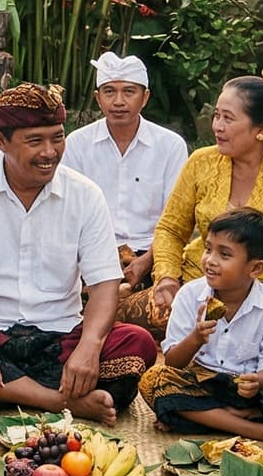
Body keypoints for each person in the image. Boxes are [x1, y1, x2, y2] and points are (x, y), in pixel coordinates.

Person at [0, 83, 158, 426]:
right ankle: (58, 400)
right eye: (35, 141)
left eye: (57, 138)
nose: (50, 152)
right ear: (0, 142)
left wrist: (89, 347)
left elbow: (104, 286)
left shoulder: (85, 195)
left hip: (62, 336)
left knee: (138, 344)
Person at [117, 72, 263, 334]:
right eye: (217, 115)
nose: (217, 126)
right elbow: (170, 230)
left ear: (261, 129)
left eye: (228, 118)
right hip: (196, 281)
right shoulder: (201, 161)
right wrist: (167, 277)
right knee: (117, 315)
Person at [139, 207, 263, 447]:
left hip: (246, 393)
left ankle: (198, 418)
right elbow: (173, 363)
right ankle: (254, 429)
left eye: (224, 254)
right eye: (208, 249)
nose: (210, 260)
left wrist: (258, 381)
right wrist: (195, 338)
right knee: (154, 379)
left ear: (255, 268)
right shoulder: (190, 294)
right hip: (201, 383)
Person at [61, 51, 188, 303]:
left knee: (167, 309)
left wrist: (148, 260)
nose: (118, 101)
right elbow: (68, 214)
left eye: (129, 92)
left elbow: (177, 220)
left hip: (153, 255)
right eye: (109, 92)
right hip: (91, 255)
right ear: (98, 99)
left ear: (145, 98)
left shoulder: (170, 146)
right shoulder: (77, 144)